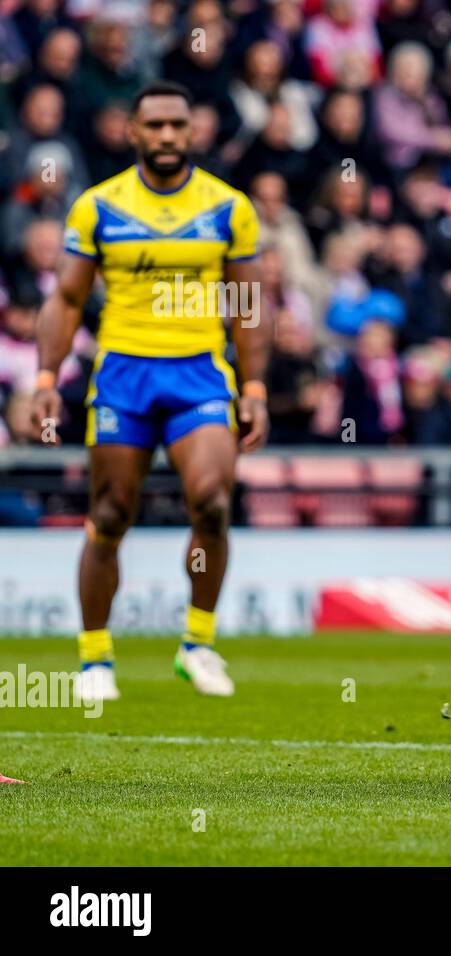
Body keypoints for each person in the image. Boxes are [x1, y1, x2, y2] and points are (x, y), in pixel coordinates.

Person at [31, 80, 269, 703]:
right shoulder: (98, 206)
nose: (167, 136)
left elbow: (248, 306)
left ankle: (198, 644)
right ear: (132, 132)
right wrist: (45, 379)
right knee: (110, 514)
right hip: (123, 375)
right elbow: (66, 299)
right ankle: (93, 660)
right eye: (154, 126)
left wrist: (257, 387)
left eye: (177, 126)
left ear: (193, 132)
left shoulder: (229, 207)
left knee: (213, 503)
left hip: (198, 374)